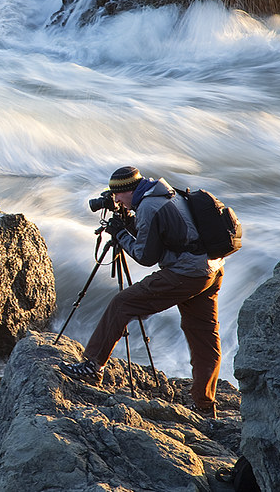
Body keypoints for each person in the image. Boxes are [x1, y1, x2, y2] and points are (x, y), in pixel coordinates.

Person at [62, 166, 224, 417]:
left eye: (118, 196)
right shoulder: (165, 193)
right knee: (204, 337)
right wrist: (129, 225)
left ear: (128, 190)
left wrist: (119, 233)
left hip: (186, 273)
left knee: (122, 304)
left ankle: (92, 366)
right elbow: (165, 236)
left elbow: (145, 256)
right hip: (211, 269)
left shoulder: (148, 207)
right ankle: (204, 405)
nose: (116, 201)